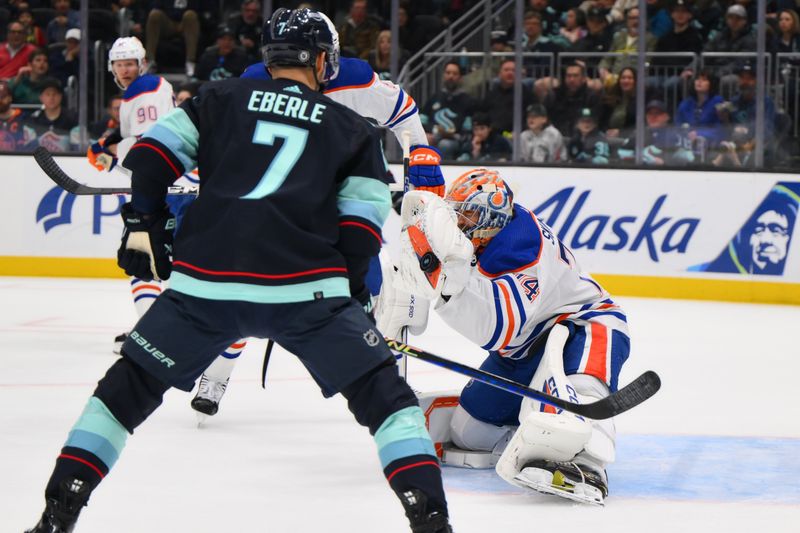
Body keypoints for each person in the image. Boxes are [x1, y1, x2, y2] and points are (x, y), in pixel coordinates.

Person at [24, 8, 454, 533]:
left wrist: (144, 222)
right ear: (323, 60)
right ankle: (431, 522)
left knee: (121, 393)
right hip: (307, 293)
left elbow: (152, 157)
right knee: (391, 407)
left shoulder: (218, 98)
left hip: (205, 285)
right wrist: (350, 301)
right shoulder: (352, 130)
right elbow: (361, 235)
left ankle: (55, 516)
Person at [195, 9, 440, 417]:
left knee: (372, 294)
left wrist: (419, 154)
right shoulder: (256, 83)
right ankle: (217, 375)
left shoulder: (356, 82)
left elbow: (403, 113)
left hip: (336, 201)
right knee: (251, 291)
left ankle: (385, 384)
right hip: (284, 205)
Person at [375, 168, 630, 505]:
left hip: (585, 326)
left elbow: (498, 329)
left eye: (466, 213)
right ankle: (538, 439)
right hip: (523, 348)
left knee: (581, 391)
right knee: (470, 433)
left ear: (489, 216)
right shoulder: (489, 232)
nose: (459, 222)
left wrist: (445, 286)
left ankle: (586, 464)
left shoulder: (520, 248)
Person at [85, 36, 177, 355]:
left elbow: (150, 146)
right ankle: (161, 331)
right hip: (175, 184)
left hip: (164, 191)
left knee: (142, 259)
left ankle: (151, 336)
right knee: (163, 263)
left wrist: (111, 153)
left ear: (142, 64)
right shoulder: (145, 91)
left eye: (129, 63)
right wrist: (112, 146)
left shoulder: (145, 88)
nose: (125, 70)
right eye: (119, 64)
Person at [420, 60, 476, 160]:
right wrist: (435, 130)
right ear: (443, 75)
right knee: (423, 141)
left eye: (455, 74)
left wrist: (453, 135)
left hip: (454, 140)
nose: (451, 76)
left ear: (460, 78)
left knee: (445, 145)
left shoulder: (467, 101)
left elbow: (467, 131)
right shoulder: (434, 98)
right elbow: (421, 121)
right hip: (433, 136)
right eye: (448, 73)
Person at [144, 0, 201, 76]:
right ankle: (150, 60)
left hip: (187, 23)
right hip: (168, 22)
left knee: (190, 15)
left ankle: (190, 61)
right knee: (154, 14)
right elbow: (156, 5)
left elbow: (200, 8)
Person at [22, 76, 78, 152]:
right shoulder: (33, 119)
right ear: (41, 97)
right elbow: (29, 149)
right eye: (48, 94)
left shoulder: (73, 118)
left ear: (61, 96)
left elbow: (78, 148)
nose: (51, 97)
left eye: (55, 94)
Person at [0, 79, 26, 150]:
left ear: (10, 98)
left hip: (18, 158)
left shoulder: (23, 118)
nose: (0, 100)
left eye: (2, 97)